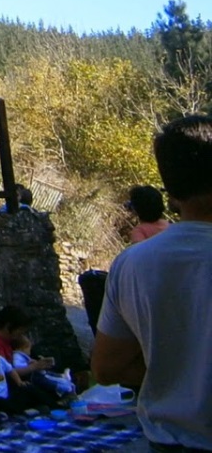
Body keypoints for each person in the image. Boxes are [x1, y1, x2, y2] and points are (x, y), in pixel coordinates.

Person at [93, 115, 212, 451]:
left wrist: (178, 379)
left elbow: (105, 368)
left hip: (169, 440)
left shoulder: (132, 263)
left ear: (171, 193)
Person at [0, 339, 50, 415]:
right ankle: (21, 412)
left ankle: (51, 405)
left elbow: (11, 371)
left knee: (28, 388)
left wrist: (19, 382)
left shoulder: (1, 361)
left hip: (5, 396)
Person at [0, 304, 54, 382]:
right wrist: (34, 367)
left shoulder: (8, 341)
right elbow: (5, 372)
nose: (21, 335)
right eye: (20, 331)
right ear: (8, 327)